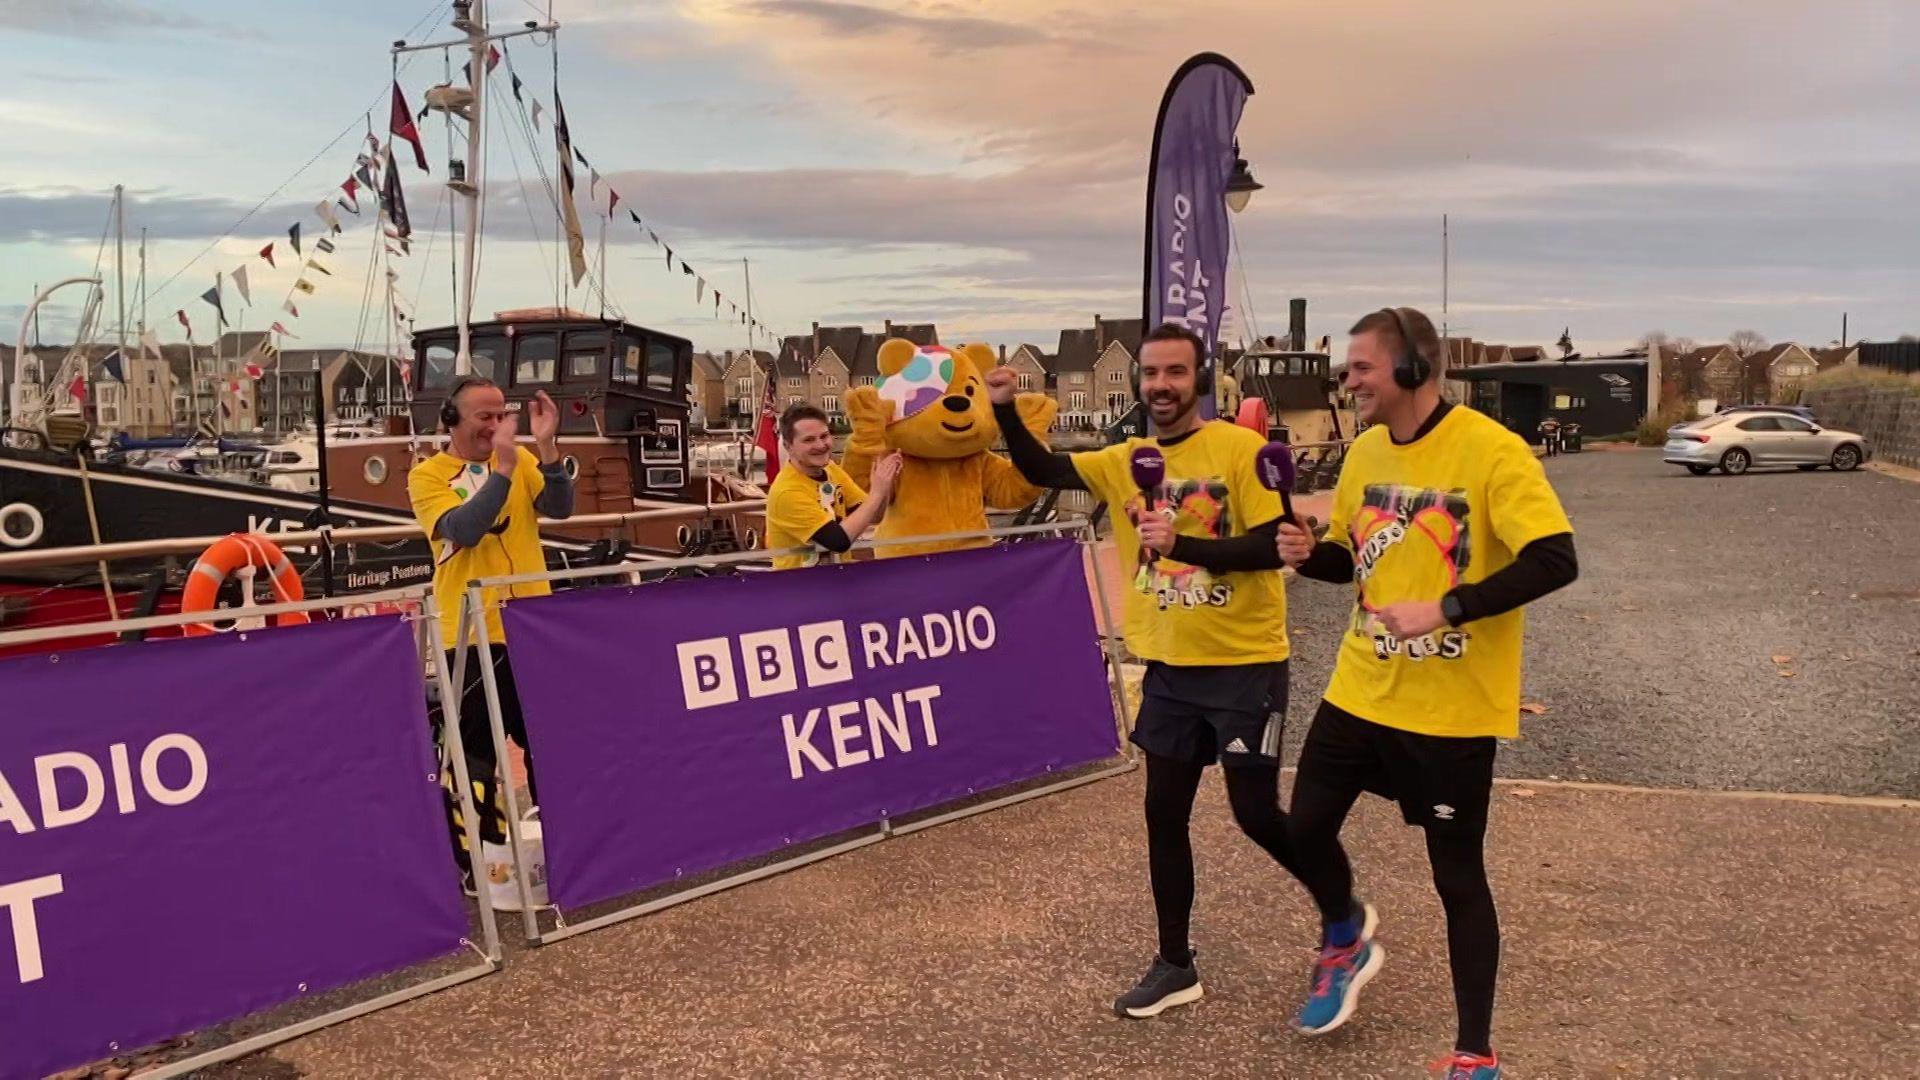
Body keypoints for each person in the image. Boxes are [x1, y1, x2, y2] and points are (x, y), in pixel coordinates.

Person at [988, 322, 1334, 1019]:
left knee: (1255, 813)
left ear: (1199, 379)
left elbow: (1273, 546)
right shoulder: (1126, 457)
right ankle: (1176, 964)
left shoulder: (1242, 449)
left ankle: (1344, 911)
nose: (1161, 386)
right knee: (1162, 814)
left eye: (1175, 373)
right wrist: (1003, 408)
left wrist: (1183, 543)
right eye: (1151, 374)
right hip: (1172, 666)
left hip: (1243, 662)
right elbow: (1045, 471)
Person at [1276, 307, 1577, 1079]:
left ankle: (1475, 1053)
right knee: (1303, 827)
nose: (1349, 381)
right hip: (1361, 688)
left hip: (1450, 710)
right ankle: (1344, 936)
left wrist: (1444, 608)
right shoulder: (1366, 450)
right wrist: (1310, 556)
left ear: (1412, 367)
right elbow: (1351, 559)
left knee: (1456, 877)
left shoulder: (1492, 451)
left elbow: (1555, 559)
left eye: (1362, 368)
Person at [409, 376, 574, 883]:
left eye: (501, 414)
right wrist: (501, 468)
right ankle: (480, 861)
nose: (496, 425)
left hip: (530, 625)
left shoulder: (521, 460)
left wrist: (545, 448)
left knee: (550, 742)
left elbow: (560, 509)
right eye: (484, 416)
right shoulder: (428, 475)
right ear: (451, 420)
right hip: (472, 630)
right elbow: (463, 528)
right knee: (475, 753)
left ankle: (565, 845)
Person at [764, 404, 902, 569]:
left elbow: (874, 516)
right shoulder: (787, 492)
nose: (821, 445)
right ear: (788, 446)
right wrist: (877, 493)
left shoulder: (831, 469)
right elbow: (838, 541)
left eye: (824, 436)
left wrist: (885, 483)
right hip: (799, 587)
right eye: (809, 440)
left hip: (835, 579)